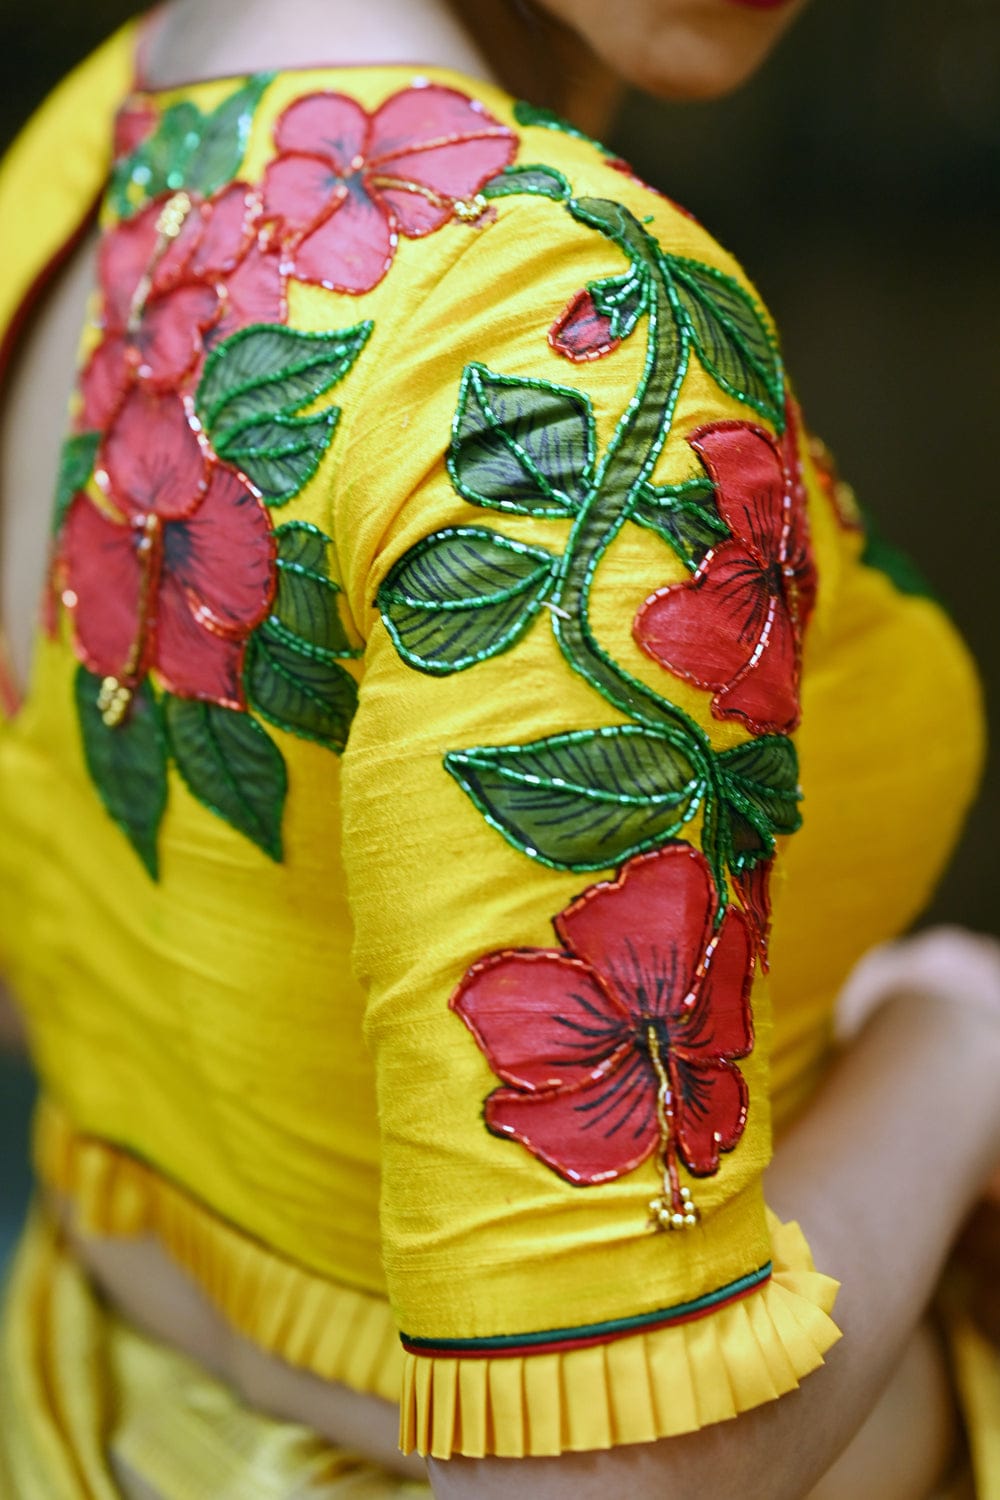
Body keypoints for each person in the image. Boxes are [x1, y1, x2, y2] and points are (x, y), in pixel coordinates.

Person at [0, 2, 997, 1497]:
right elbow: (606, 1481)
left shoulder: (129, 116)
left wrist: (266, 1348)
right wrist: (956, 1051)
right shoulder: (551, 345)